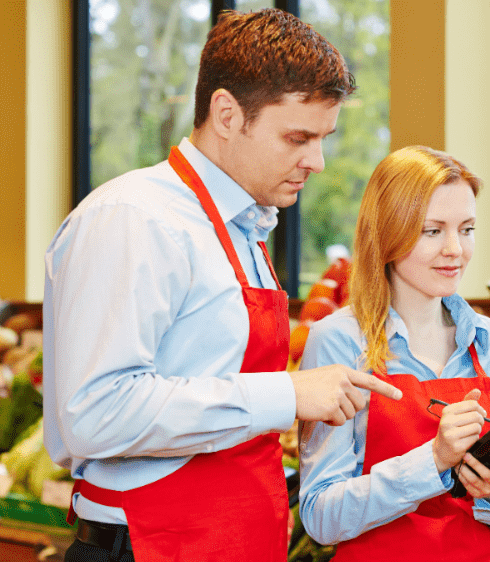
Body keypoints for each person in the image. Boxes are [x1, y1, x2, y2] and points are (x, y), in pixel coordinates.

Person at [42, 9, 401, 562]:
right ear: (227, 114)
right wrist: (287, 394)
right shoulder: (134, 218)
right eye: (298, 137)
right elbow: (94, 413)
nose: (318, 161)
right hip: (149, 547)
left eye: (323, 138)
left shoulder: (244, 228)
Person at [297, 146, 490, 561]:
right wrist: (433, 461)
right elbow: (319, 516)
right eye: (432, 230)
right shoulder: (338, 341)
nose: (455, 249)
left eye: (467, 229)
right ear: (387, 233)